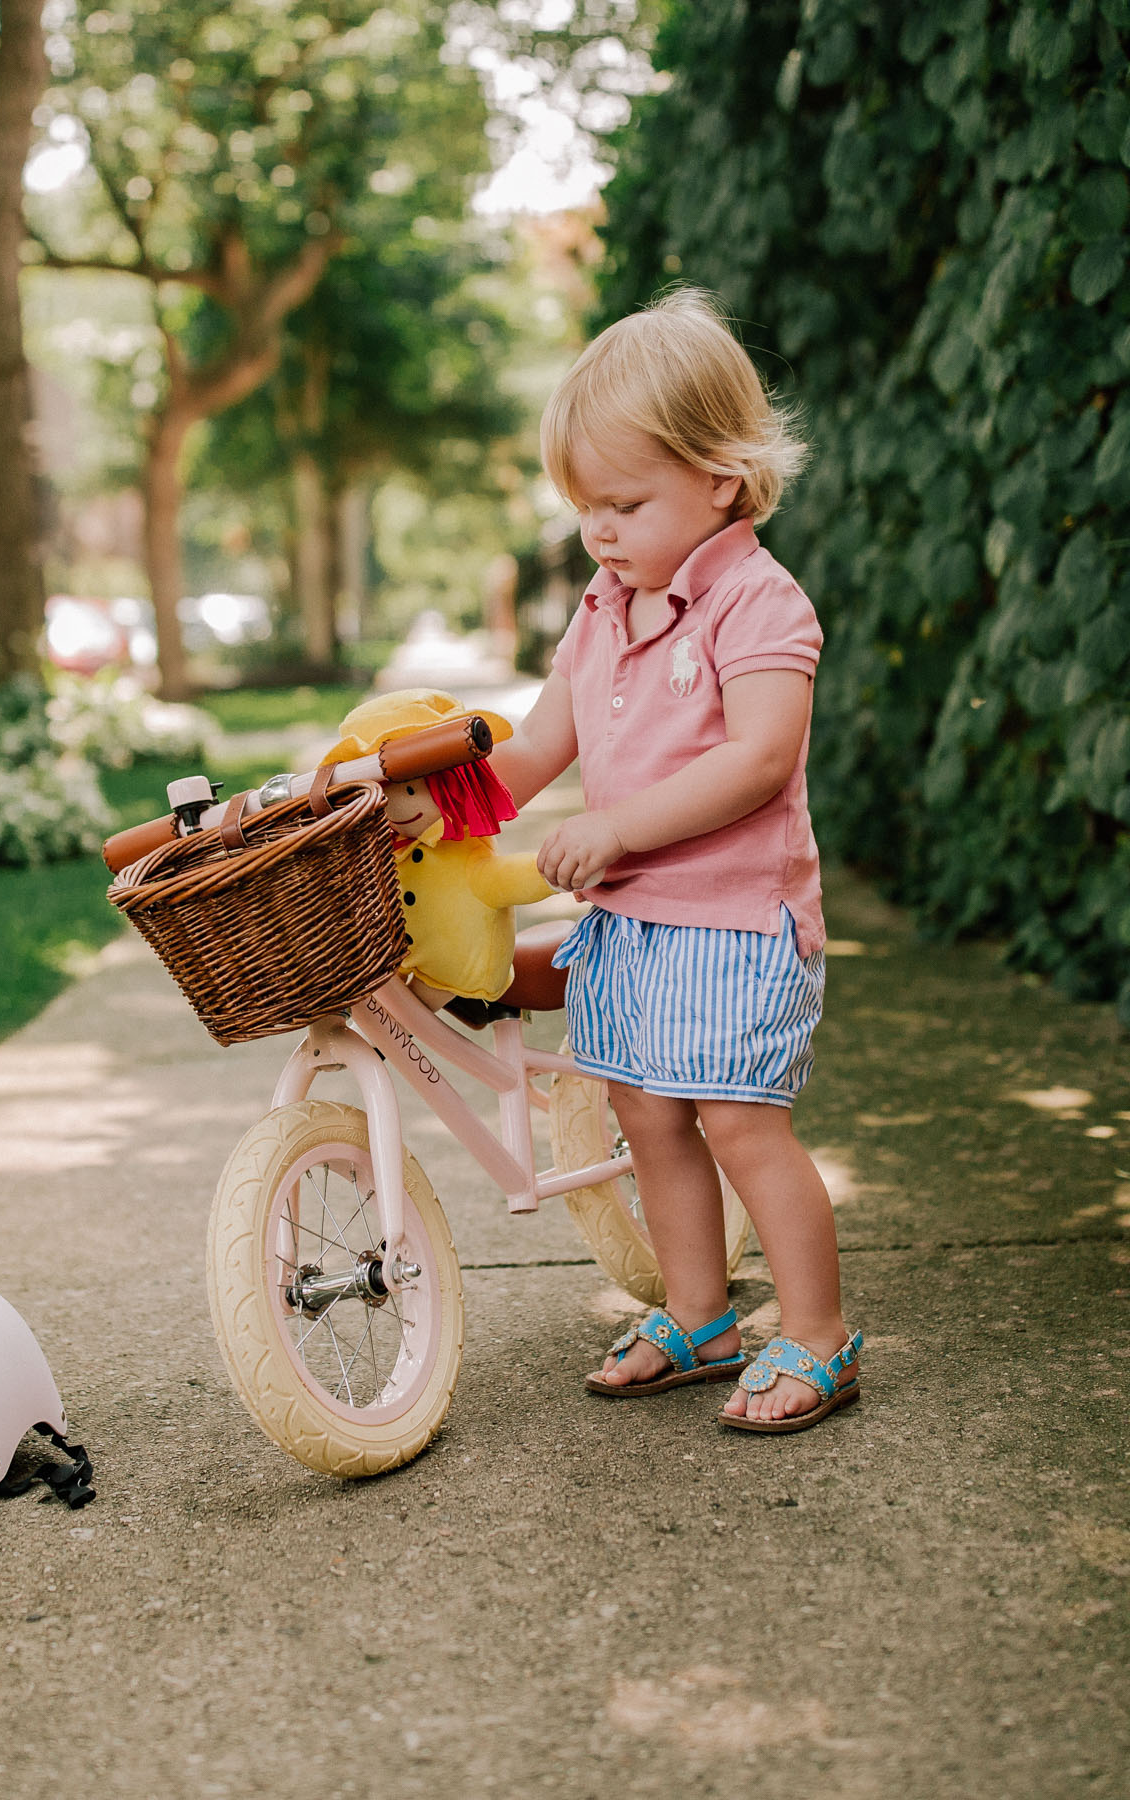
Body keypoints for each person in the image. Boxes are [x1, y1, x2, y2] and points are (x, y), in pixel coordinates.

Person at [489, 288, 861, 1433]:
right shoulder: (606, 606)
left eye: (624, 503)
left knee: (741, 1123)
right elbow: (541, 744)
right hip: (636, 927)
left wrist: (619, 827)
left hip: (735, 923)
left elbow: (757, 759)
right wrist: (442, 806)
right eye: (584, 508)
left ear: (723, 478)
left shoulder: (758, 602)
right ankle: (699, 1313)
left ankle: (818, 1334)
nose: (599, 532)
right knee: (648, 1118)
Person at [320, 689, 552, 1004]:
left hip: (453, 972)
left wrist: (554, 869)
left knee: (402, 1025)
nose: (393, 807)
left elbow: (506, 876)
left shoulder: (468, 861)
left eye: (411, 790)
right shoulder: (389, 849)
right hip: (396, 961)